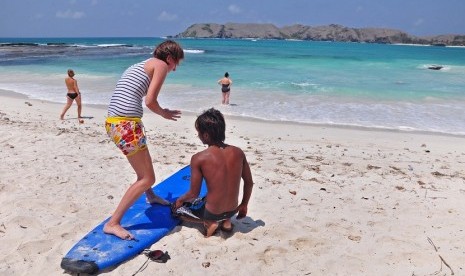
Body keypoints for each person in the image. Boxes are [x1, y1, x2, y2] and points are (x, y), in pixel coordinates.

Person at [104, 40, 184, 240]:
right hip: (125, 125)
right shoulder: (161, 65)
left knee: (146, 168)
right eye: (177, 64)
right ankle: (113, 223)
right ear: (169, 58)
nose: (174, 69)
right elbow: (150, 101)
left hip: (119, 123)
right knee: (147, 177)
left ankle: (150, 196)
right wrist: (164, 113)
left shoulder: (143, 63)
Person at [174, 108, 254, 237]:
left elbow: (193, 193)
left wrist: (179, 200)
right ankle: (226, 222)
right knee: (209, 199)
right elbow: (249, 183)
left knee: (178, 211)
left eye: (198, 132)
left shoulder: (199, 158)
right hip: (232, 210)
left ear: (205, 135)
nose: (198, 135)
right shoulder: (238, 152)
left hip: (213, 212)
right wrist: (244, 205)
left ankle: (209, 222)